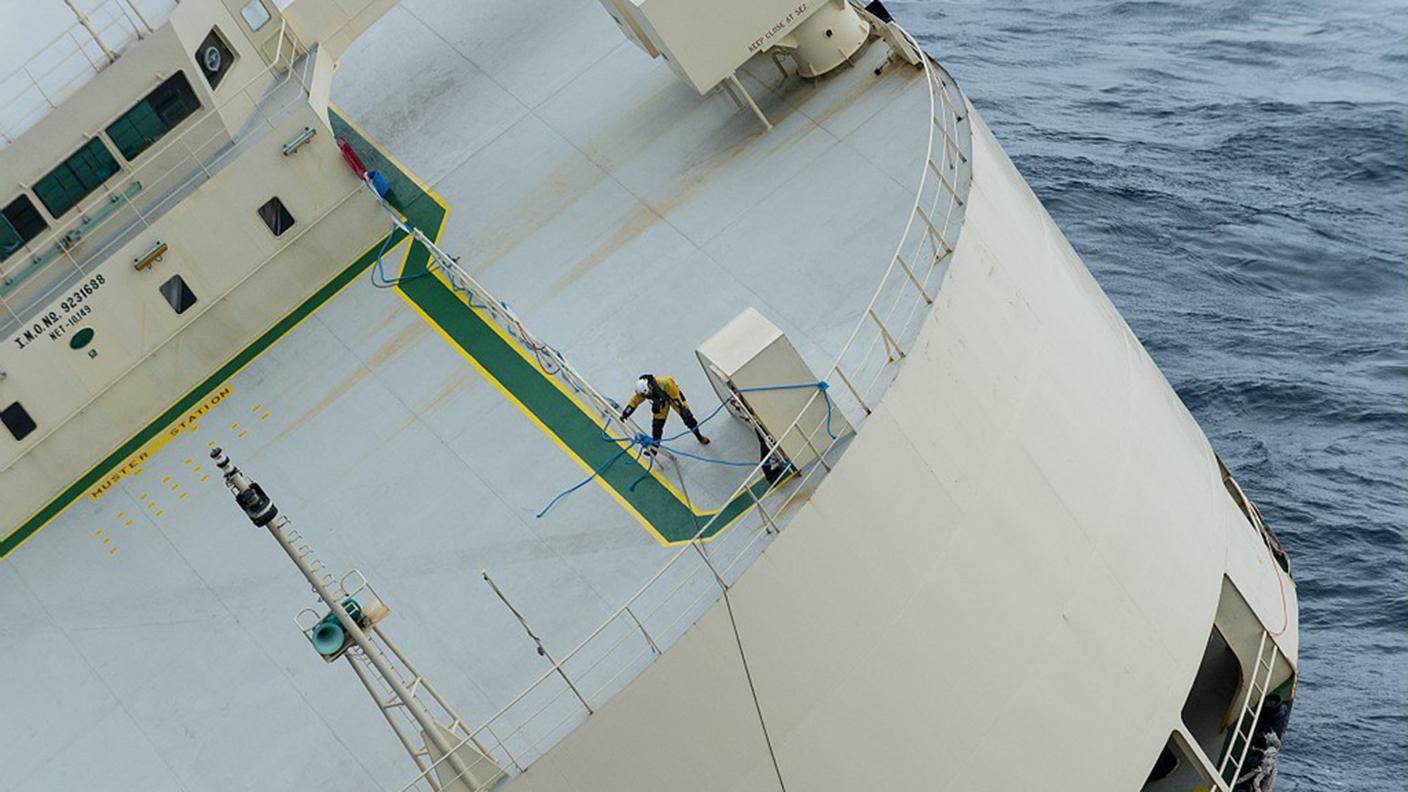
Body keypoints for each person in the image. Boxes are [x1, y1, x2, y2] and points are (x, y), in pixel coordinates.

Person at [620, 374, 710, 453]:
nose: (648, 396)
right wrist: (625, 414)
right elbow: (634, 402)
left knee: (688, 419)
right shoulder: (643, 392)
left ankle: (699, 436)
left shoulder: (665, 383)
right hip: (661, 402)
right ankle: (655, 449)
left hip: (673, 397)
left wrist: (682, 409)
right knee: (657, 426)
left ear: (650, 386)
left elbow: (676, 397)